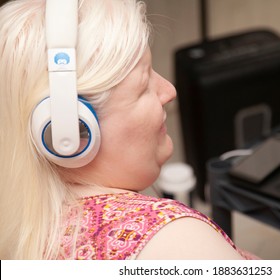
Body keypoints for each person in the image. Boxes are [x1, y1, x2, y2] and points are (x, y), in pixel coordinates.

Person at [0, 0, 258, 260]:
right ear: (69, 129)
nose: (169, 91)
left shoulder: (24, 227)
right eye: (144, 84)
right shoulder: (174, 239)